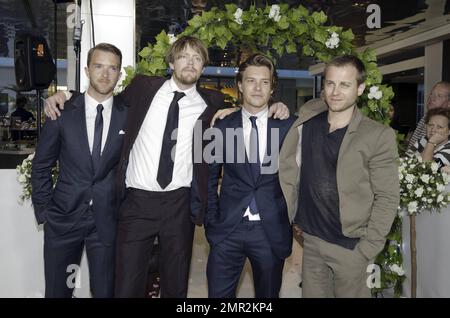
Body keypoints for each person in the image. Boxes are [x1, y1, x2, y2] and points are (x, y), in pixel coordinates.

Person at [43, 35, 289, 298]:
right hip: (136, 203)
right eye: (184, 56)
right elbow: (103, 98)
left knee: (176, 285)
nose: (190, 63)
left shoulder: (213, 103)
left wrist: (275, 106)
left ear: (203, 67)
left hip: (179, 205)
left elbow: (252, 109)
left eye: (197, 58)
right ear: (171, 62)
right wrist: (67, 95)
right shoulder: (143, 88)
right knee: (126, 286)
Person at [279, 55, 400, 298]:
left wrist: (367, 249)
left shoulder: (377, 135)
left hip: (351, 247)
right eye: (330, 83)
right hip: (311, 242)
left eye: (345, 85)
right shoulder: (308, 118)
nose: (336, 91)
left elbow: (387, 196)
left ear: (361, 88)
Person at [32, 43, 126, 297]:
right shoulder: (62, 112)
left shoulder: (128, 115)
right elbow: (41, 165)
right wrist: (45, 212)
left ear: (119, 74)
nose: (105, 74)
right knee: (59, 291)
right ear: (86, 70)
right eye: (98, 66)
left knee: (105, 292)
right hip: (63, 221)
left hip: (106, 223)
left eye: (112, 68)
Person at [205, 54, 296, 298]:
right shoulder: (221, 125)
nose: (257, 88)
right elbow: (209, 178)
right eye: (251, 81)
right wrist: (212, 221)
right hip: (227, 230)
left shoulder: (288, 125)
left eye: (264, 82)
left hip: (270, 230)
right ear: (241, 85)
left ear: (272, 87)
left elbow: (325, 110)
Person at [407, 81, 450, 151]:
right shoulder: (426, 116)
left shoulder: (446, 123)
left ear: (449, 103)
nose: (432, 98)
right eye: (431, 94)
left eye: (439, 96)